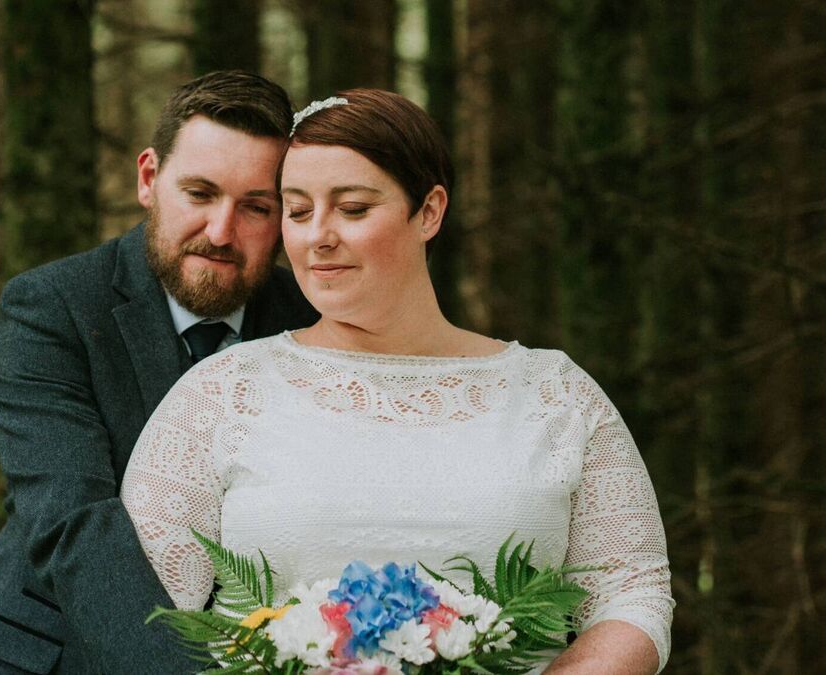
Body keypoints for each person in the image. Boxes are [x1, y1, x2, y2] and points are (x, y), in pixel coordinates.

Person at [121, 89, 674, 674]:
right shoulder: (220, 393)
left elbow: (630, 592)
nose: (317, 236)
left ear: (429, 211)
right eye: (298, 211)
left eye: (353, 209)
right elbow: (145, 613)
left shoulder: (556, 394)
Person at [0, 71, 318, 675]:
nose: (221, 233)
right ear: (149, 179)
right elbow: (72, 523)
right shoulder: (53, 307)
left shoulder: (312, 320)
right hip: (48, 657)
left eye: (256, 207)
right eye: (199, 194)